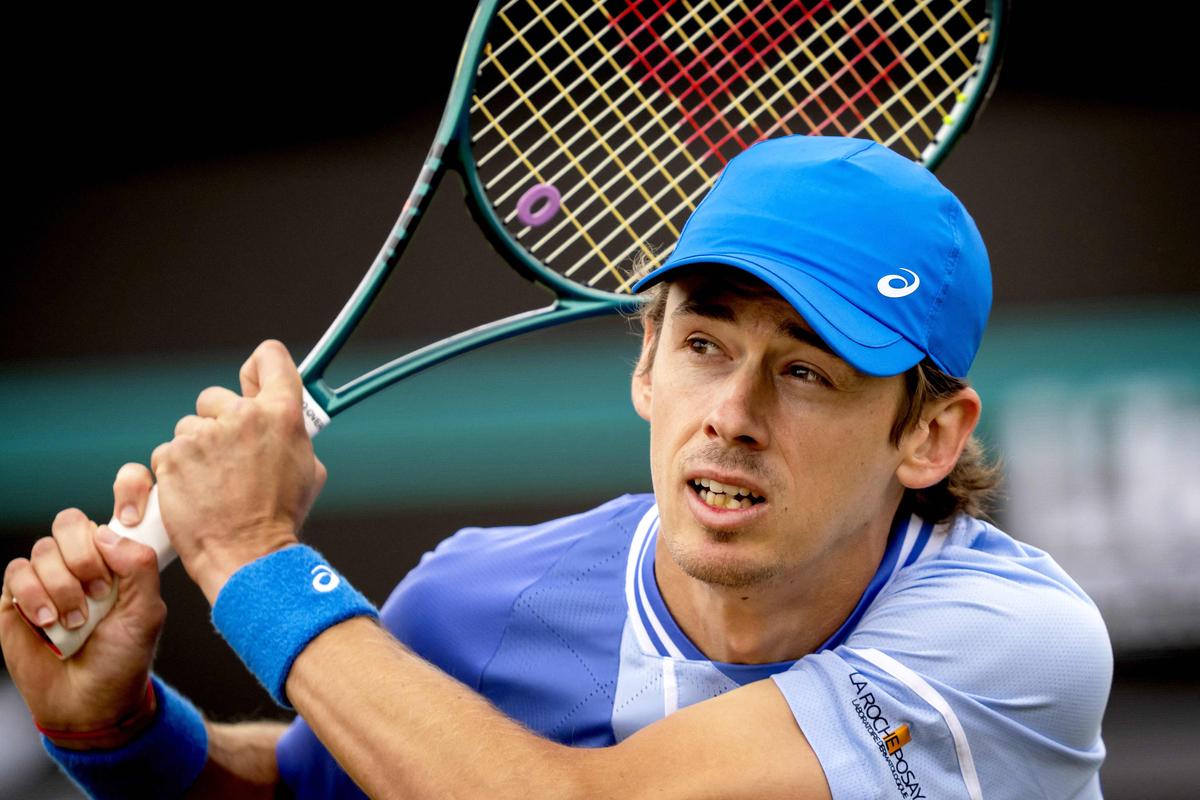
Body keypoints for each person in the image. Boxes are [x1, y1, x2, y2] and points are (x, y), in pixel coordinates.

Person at [1, 136, 1112, 799]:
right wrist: (118, 727)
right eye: (704, 343)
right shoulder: (478, 598)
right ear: (645, 361)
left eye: (809, 371)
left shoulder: (1011, 644)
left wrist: (251, 558)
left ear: (929, 434)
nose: (731, 413)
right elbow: (324, 785)